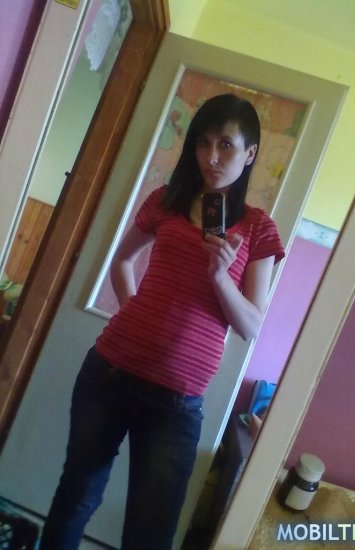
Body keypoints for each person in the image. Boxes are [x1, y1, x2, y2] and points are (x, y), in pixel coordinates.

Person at [39, 94, 285, 550]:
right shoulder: (166, 201)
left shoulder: (257, 229)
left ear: (250, 153)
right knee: (76, 496)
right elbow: (122, 262)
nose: (212, 157)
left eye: (226, 144)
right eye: (203, 143)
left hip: (177, 405)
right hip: (109, 373)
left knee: (150, 536)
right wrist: (132, 312)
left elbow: (251, 325)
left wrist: (220, 277)